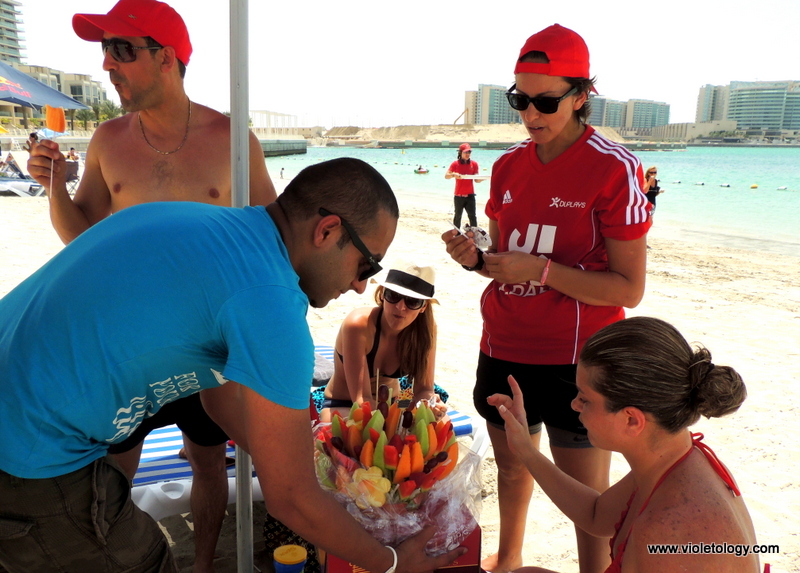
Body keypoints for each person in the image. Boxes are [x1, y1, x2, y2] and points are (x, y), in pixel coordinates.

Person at [0, 157, 465, 573]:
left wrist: (306, 464)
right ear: (326, 231)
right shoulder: (272, 303)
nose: (362, 287)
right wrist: (392, 563)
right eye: (367, 266)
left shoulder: (214, 229)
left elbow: (218, 400)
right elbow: (290, 500)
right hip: (29, 449)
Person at [25, 1, 277, 570]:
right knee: (116, 467)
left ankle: (204, 563)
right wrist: (55, 188)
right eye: (104, 50)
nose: (106, 65)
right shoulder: (109, 140)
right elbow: (82, 239)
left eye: (121, 49)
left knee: (207, 460)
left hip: (205, 344)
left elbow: (270, 241)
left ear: (166, 58)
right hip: (128, 344)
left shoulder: (232, 141)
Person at [442, 24, 650, 573]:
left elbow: (629, 288)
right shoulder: (508, 165)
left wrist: (541, 270)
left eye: (546, 101)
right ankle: (509, 557)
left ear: (582, 96)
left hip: (577, 358)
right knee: (512, 468)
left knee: (589, 500)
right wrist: (476, 259)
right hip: (503, 344)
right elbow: (503, 259)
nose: (530, 114)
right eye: (520, 100)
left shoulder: (614, 167)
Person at [489, 316, 764, 573]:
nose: (574, 405)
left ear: (632, 420)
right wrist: (525, 449)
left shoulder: (664, 531)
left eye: (585, 399)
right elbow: (597, 515)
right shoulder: (676, 457)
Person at [320, 262, 445, 422]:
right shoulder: (358, 325)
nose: (400, 307)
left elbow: (424, 390)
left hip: (396, 403)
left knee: (443, 423)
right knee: (358, 432)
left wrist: (430, 404)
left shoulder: (425, 331)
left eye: (412, 301)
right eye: (393, 295)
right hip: (346, 403)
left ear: (423, 307)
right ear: (381, 294)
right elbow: (361, 399)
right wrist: (391, 424)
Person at [445, 143, 485, 229]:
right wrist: (453, 174)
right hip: (458, 196)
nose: (468, 154)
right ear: (460, 153)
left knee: (472, 216)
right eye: (465, 152)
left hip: (470, 195)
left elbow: (476, 180)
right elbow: (446, 176)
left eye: (469, 152)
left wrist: (484, 178)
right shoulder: (455, 164)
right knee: (458, 216)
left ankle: (474, 233)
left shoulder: (474, 164)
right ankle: (456, 233)